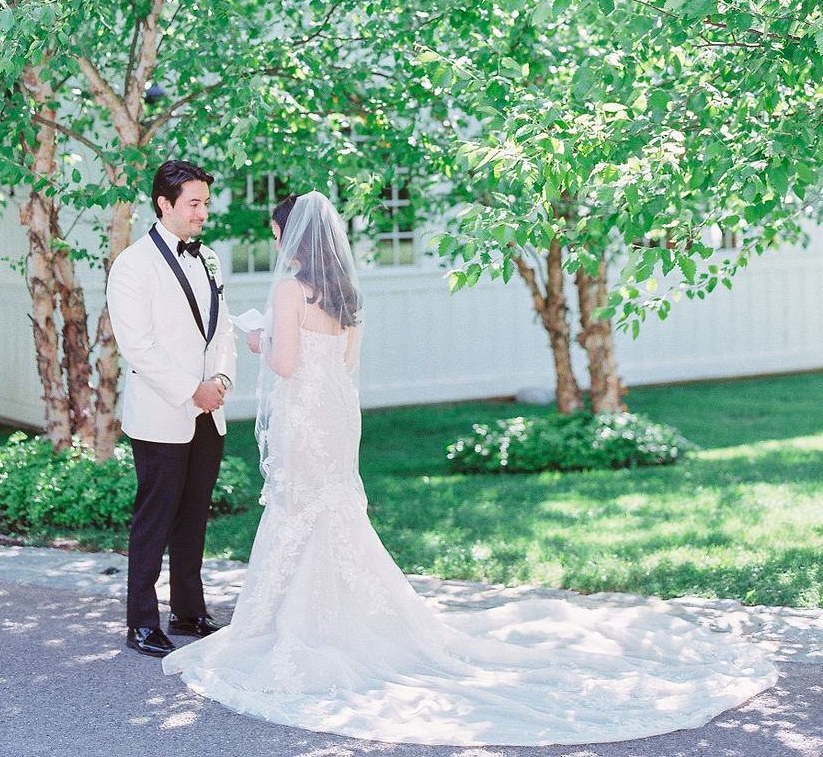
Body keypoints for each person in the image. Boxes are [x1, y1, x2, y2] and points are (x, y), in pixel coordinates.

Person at [163, 190, 777, 745]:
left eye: (278, 236)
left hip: (304, 416)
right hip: (336, 416)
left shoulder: (288, 289)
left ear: (288, 237)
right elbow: (344, 362)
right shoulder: (347, 293)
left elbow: (287, 365)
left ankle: (297, 623)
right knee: (332, 509)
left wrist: (257, 342)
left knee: (301, 507)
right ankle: (332, 615)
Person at [107, 158, 236, 659]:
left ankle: (188, 611)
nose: (203, 212)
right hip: (163, 411)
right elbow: (137, 347)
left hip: (210, 408)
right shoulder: (133, 265)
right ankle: (141, 623)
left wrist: (220, 379)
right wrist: (190, 390)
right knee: (154, 519)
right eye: (194, 203)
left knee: (194, 516)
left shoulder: (211, 260)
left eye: (205, 202)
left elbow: (221, 329)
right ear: (165, 204)